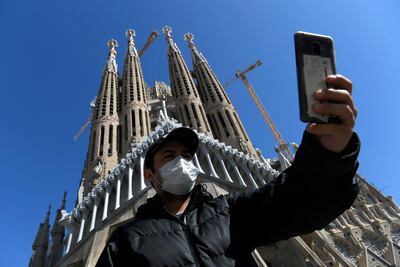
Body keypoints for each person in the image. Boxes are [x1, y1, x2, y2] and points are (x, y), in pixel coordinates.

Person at [96, 74, 360, 266]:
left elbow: (297, 201)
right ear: (149, 175)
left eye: (187, 156)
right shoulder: (126, 240)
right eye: (169, 156)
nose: (181, 162)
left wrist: (329, 152)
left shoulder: (229, 212)